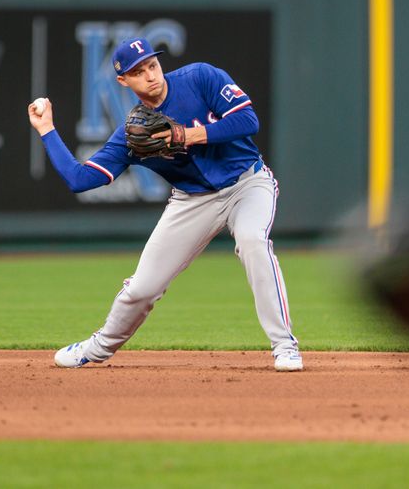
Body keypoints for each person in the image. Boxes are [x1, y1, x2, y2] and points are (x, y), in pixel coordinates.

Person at [27, 37, 303, 372]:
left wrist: (185, 136)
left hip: (248, 183)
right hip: (191, 202)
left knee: (252, 241)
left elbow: (248, 121)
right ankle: (96, 348)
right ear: (123, 82)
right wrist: (47, 130)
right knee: (143, 287)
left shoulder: (200, 77)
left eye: (152, 65)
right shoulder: (133, 134)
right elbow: (80, 179)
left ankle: (284, 346)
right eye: (138, 72)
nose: (150, 75)